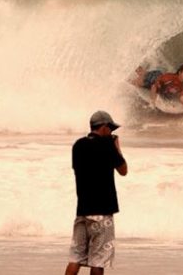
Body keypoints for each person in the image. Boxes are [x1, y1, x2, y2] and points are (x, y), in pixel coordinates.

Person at [65, 111, 128, 275]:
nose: (112, 132)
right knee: (98, 260)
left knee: (75, 257)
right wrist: (116, 147)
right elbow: (123, 170)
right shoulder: (107, 146)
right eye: (111, 129)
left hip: (83, 209)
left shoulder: (78, 145)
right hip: (103, 209)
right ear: (105, 127)